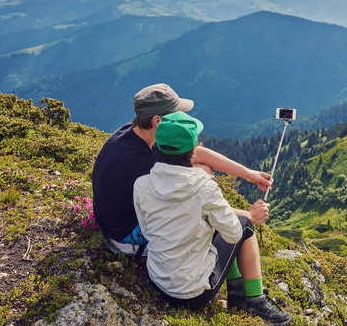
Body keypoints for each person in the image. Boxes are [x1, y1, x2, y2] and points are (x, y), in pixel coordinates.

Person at [133, 111, 292, 325]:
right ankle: (254, 300)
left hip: (158, 283)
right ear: (193, 150)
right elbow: (233, 234)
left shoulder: (141, 184)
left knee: (215, 225)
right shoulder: (203, 188)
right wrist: (252, 216)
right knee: (244, 227)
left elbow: (146, 228)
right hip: (194, 293)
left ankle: (238, 294)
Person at [92, 83, 272, 257]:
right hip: (127, 238)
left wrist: (249, 174)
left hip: (119, 221)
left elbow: (197, 153)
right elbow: (192, 207)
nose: (182, 117)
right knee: (223, 223)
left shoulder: (134, 133)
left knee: (201, 169)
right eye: (176, 114)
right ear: (157, 121)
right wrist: (249, 215)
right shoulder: (140, 161)